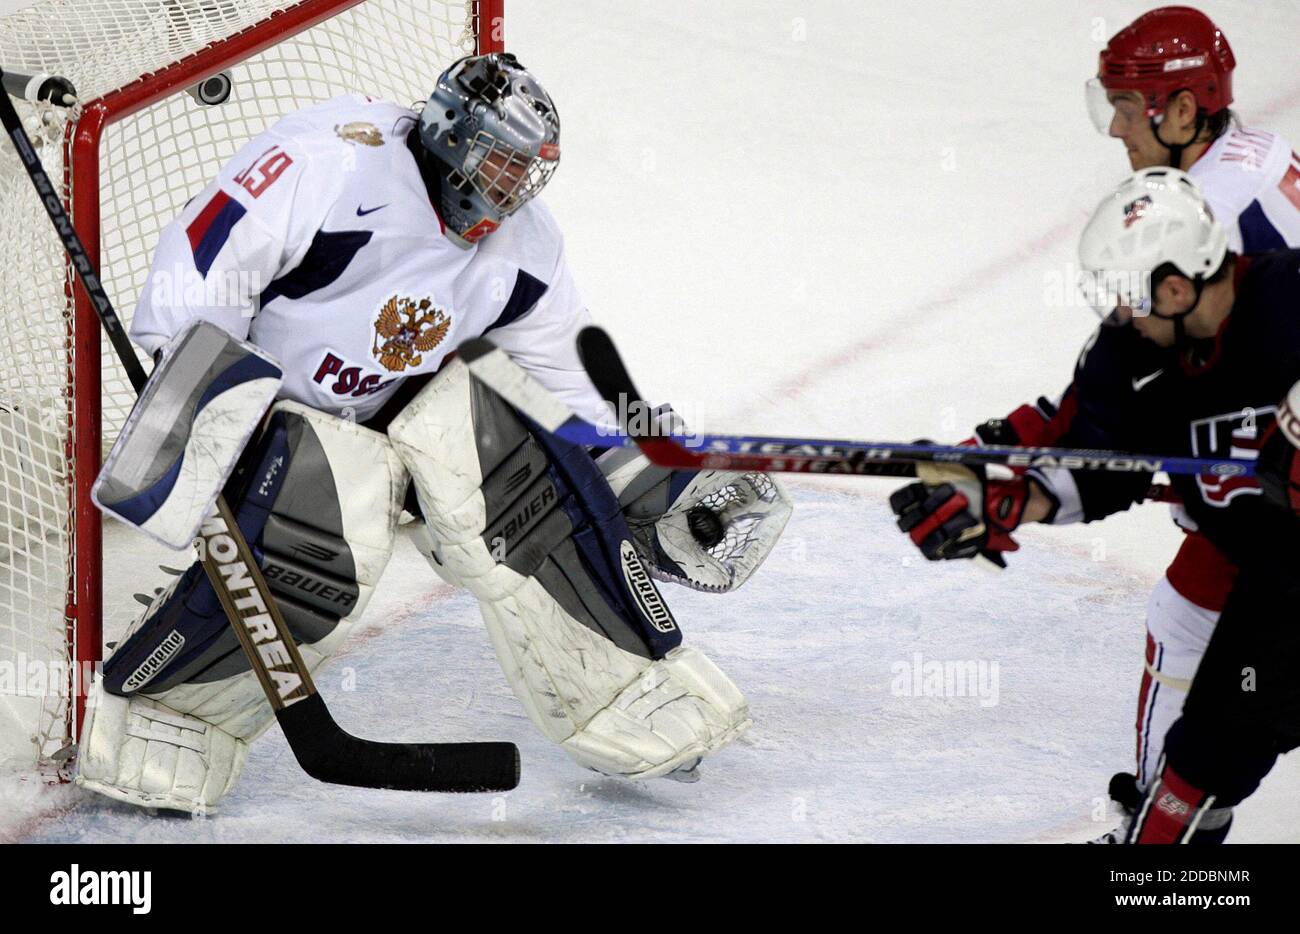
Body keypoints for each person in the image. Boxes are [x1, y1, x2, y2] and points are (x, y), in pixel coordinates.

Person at [76, 52, 791, 812]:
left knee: (540, 484)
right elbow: (205, 265)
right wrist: (204, 414)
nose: (511, 189)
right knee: (313, 528)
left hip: (408, 409)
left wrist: (666, 461)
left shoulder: (524, 247)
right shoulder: (328, 165)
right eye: (499, 163)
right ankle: (163, 725)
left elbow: (570, 370)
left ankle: (625, 704)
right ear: (451, 136)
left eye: (527, 173)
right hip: (277, 418)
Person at [914, 6, 1300, 841]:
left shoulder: (1219, 216)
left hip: (1278, 487)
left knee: (1212, 622)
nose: (1119, 130)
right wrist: (1018, 463)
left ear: (1186, 111)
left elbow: (1143, 402)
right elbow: (1126, 407)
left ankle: (1169, 826)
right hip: (1267, 478)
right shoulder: (1247, 163)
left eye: (1132, 108)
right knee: (1193, 614)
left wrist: (1022, 450)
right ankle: (1168, 821)